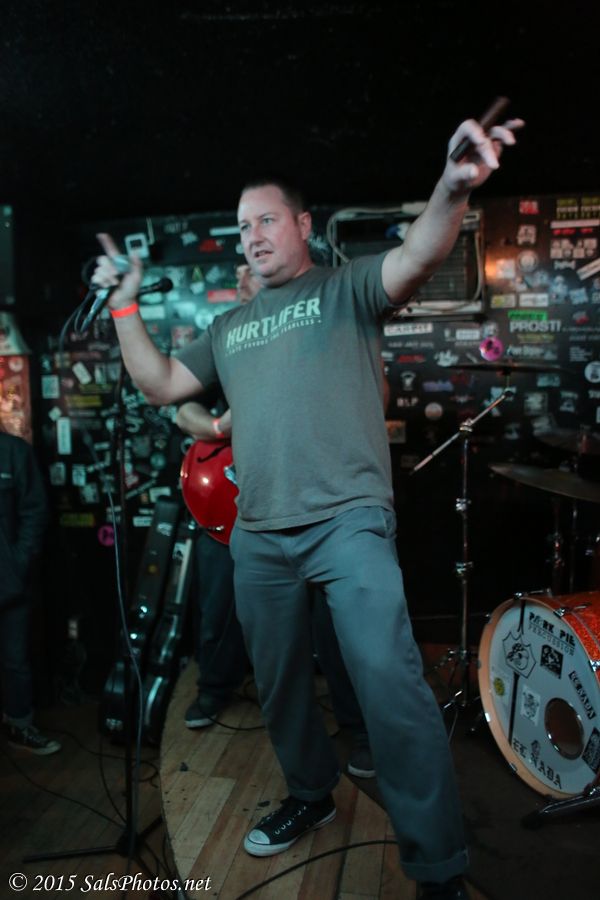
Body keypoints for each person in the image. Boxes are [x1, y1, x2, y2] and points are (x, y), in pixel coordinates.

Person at [92, 115, 522, 898]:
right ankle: (310, 793)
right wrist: (125, 306)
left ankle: (437, 867)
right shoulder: (229, 327)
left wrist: (452, 188)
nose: (252, 236)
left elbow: (420, 253)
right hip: (259, 533)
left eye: (266, 220)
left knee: (390, 685)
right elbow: (160, 385)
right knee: (281, 683)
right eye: (242, 226)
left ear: (301, 225)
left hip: (347, 521)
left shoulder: (343, 288)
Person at [178, 264, 377, 778]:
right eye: (238, 269)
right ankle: (214, 690)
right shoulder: (225, 334)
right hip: (238, 503)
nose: (244, 276)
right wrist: (220, 424)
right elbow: (181, 409)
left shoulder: (316, 323)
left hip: (315, 500)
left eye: (251, 269)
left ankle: (359, 729)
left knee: (335, 625)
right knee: (220, 606)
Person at [0, 425, 60, 755]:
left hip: (9, 582)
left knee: (15, 660)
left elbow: (35, 511)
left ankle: (19, 726)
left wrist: (17, 562)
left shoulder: (13, 451)